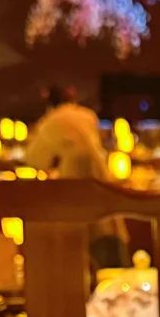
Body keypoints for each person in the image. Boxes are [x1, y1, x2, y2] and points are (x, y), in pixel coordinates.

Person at [25, 85, 128, 269]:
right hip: (100, 174)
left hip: (72, 178)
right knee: (106, 225)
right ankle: (115, 271)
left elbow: (34, 159)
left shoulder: (50, 121)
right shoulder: (87, 115)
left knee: (81, 234)